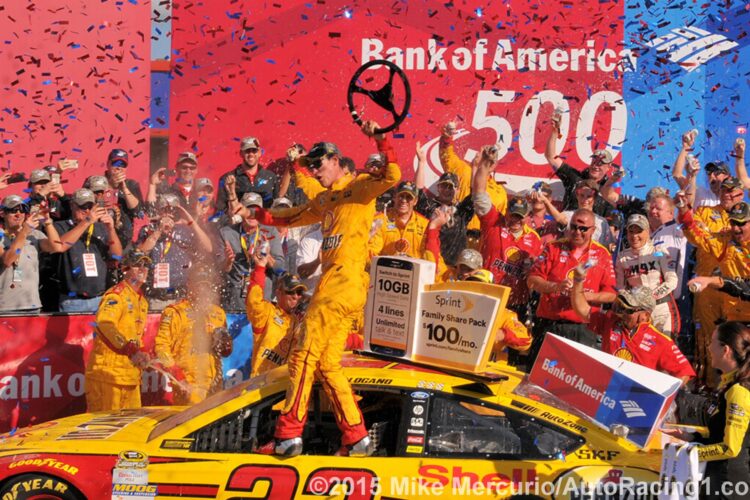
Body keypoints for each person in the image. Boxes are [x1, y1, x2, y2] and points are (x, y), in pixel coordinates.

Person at [255, 121, 400, 457]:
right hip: (340, 287)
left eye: (319, 163)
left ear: (337, 161)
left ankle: (288, 434)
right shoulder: (328, 199)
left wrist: (381, 140)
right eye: (312, 165)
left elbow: (392, 175)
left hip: (342, 283)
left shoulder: (361, 187)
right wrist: (258, 215)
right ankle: (357, 435)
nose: (315, 169)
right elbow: (292, 216)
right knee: (327, 365)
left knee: (303, 354)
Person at [527, 208, 616, 363]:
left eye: (583, 229)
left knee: (578, 382)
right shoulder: (553, 247)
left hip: (584, 328)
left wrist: (585, 296)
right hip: (550, 323)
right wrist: (556, 287)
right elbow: (532, 280)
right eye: (573, 227)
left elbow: (611, 294)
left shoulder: (602, 254)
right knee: (537, 380)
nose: (577, 232)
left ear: (593, 230)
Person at [678, 196, 750, 387]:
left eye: (742, 224)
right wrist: (684, 210)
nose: (736, 228)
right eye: (734, 223)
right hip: (734, 317)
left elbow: (745, 289)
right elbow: (697, 235)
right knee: (733, 369)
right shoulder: (726, 241)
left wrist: (712, 280)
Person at [570, 277, 694, 384]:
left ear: (645, 316)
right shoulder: (611, 320)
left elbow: (684, 372)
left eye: (628, 310)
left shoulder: (661, 342)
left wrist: (662, 399)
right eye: (620, 306)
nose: (621, 313)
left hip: (634, 402)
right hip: (604, 391)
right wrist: (578, 280)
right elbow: (582, 310)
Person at [472, 149, 542, 317]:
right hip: (487, 296)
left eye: (520, 217)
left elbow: (537, 272)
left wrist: (532, 267)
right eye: (512, 216)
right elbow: (479, 193)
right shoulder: (493, 222)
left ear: (527, 217)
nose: (515, 221)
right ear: (507, 212)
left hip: (516, 303)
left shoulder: (534, 238)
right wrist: (485, 165)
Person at [154, 267, 231, 405]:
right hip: (189, 385)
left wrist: (226, 343)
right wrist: (178, 377)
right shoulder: (176, 312)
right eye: (199, 284)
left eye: (206, 285)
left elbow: (225, 351)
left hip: (215, 385)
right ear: (189, 285)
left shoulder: (218, 313)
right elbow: (161, 348)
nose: (202, 289)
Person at [85, 251, 151, 411]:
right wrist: (129, 349)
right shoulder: (116, 296)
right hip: (108, 376)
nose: (143, 269)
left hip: (130, 376)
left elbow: (134, 335)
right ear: (125, 269)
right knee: (105, 427)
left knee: (131, 428)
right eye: (137, 265)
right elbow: (104, 324)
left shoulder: (142, 300)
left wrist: (141, 352)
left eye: (146, 265)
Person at [690, 322, 750, 499]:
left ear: (725, 350)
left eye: (712, 342)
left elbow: (730, 448)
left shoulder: (739, 390)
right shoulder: (728, 383)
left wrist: (692, 454)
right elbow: (720, 432)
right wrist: (691, 437)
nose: (708, 347)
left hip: (731, 484)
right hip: (719, 479)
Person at [136, 193, 212, 310]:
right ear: (159, 211)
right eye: (165, 210)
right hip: (157, 297)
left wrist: (189, 218)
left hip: (181, 296)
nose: (168, 214)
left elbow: (208, 248)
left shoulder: (185, 230)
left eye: (173, 210)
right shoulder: (149, 230)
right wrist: (159, 231)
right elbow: (140, 254)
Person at [54, 188, 123, 312]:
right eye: (82, 207)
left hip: (99, 297)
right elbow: (61, 245)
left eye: (90, 207)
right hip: (72, 300)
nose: (87, 211)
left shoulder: (100, 228)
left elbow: (117, 255)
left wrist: (111, 229)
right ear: (72, 206)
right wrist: (86, 222)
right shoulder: (60, 226)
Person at [615, 214, 679, 336]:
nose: (634, 236)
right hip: (638, 312)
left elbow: (672, 281)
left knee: (665, 348)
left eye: (639, 231)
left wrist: (651, 297)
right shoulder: (622, 257)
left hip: (662, 308)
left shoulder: (658, 251)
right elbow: (620, 288)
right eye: (631, 231)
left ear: (648, 231)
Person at [220, 191, 285, 310]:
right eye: (249, 210)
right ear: (241, 211)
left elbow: (280, 269)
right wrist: (228, 262)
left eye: (256, 212)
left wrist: (267, 255)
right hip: (234, 303)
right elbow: (219, 270)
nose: (252, 215)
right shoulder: (226, 233)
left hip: (261, 302)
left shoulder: (270, 232)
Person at [544, 110, 617, 217]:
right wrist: (555, 133)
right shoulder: (575, 178)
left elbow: (611, 224)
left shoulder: (607, 192)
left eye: (601, 163)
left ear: (608, 167)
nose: (596, 165)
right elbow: (551, 157)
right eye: (594, 161)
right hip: (568, 229)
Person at [0, 195, 65, 312]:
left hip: (32, 305)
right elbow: (7, 260)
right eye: (13, 210)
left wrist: (47, 222)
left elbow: (57, 247)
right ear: (2, 213)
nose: (18, 214)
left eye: (22, 210)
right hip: (5, 307)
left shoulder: (34, 235)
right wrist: (24, 232)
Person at [247, 251, 307, 377]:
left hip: (283, 386)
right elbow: (253, 300)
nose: (296, 296)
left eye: (299, 292)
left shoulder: (297, 322)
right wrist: (260, 268)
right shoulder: (268, 311)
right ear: (279, 292)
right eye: (291, 292)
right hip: (260, 383)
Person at [540, 179, 614, 247]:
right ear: (577, 196)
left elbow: (608, 246)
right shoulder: (569, 215)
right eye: (582, 195)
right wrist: (545, 201)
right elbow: (559, 218)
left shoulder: (602, 222)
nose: (585, 199)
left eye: (589, 196)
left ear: (595, 198)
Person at [672, 129, 732, 208]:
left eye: (717, 172)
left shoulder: (734, 199)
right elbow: (677, 174)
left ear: (727, 176)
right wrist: (686, 147)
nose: (712, 176)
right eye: (709, 173)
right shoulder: (700, 193)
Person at [216, 136, 279, 210]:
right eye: (247, 151)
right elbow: (220, 210)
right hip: (239, 220)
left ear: (259, 153)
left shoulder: (270, 177)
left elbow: (277, 205)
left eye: (254, 150)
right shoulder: (227, 178)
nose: (251, 154)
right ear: (241, 153)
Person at [103, 148, 144, 247]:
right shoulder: (97, 182)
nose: (119, 168)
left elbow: (138, 212)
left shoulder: (132, 185)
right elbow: (92, 206)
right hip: (102, 237)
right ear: (108, 164)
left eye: (123, 165)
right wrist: (110, 186)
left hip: (124, 240)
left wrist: (124, 189)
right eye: (116, 164)